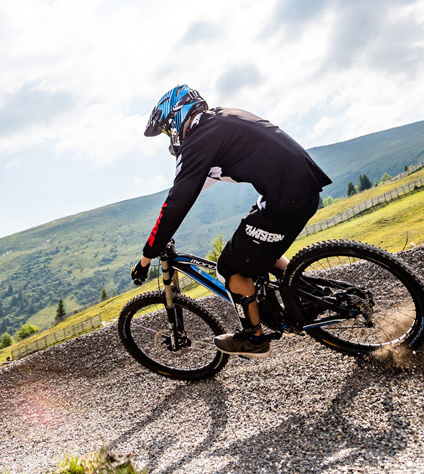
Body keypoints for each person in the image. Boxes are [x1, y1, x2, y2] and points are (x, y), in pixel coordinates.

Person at [130, 85, 331, 358]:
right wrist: (163, 232)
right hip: (300, 186)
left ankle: (254, 340)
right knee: (253, 240)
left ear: (176, 117)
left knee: (229, 267)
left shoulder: (198, 140)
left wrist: (147, 255)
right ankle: (307, 295)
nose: (169, 137)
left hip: (286, 197)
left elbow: (177, 202)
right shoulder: (219, 120)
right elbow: (194, 188)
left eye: (167, 129)